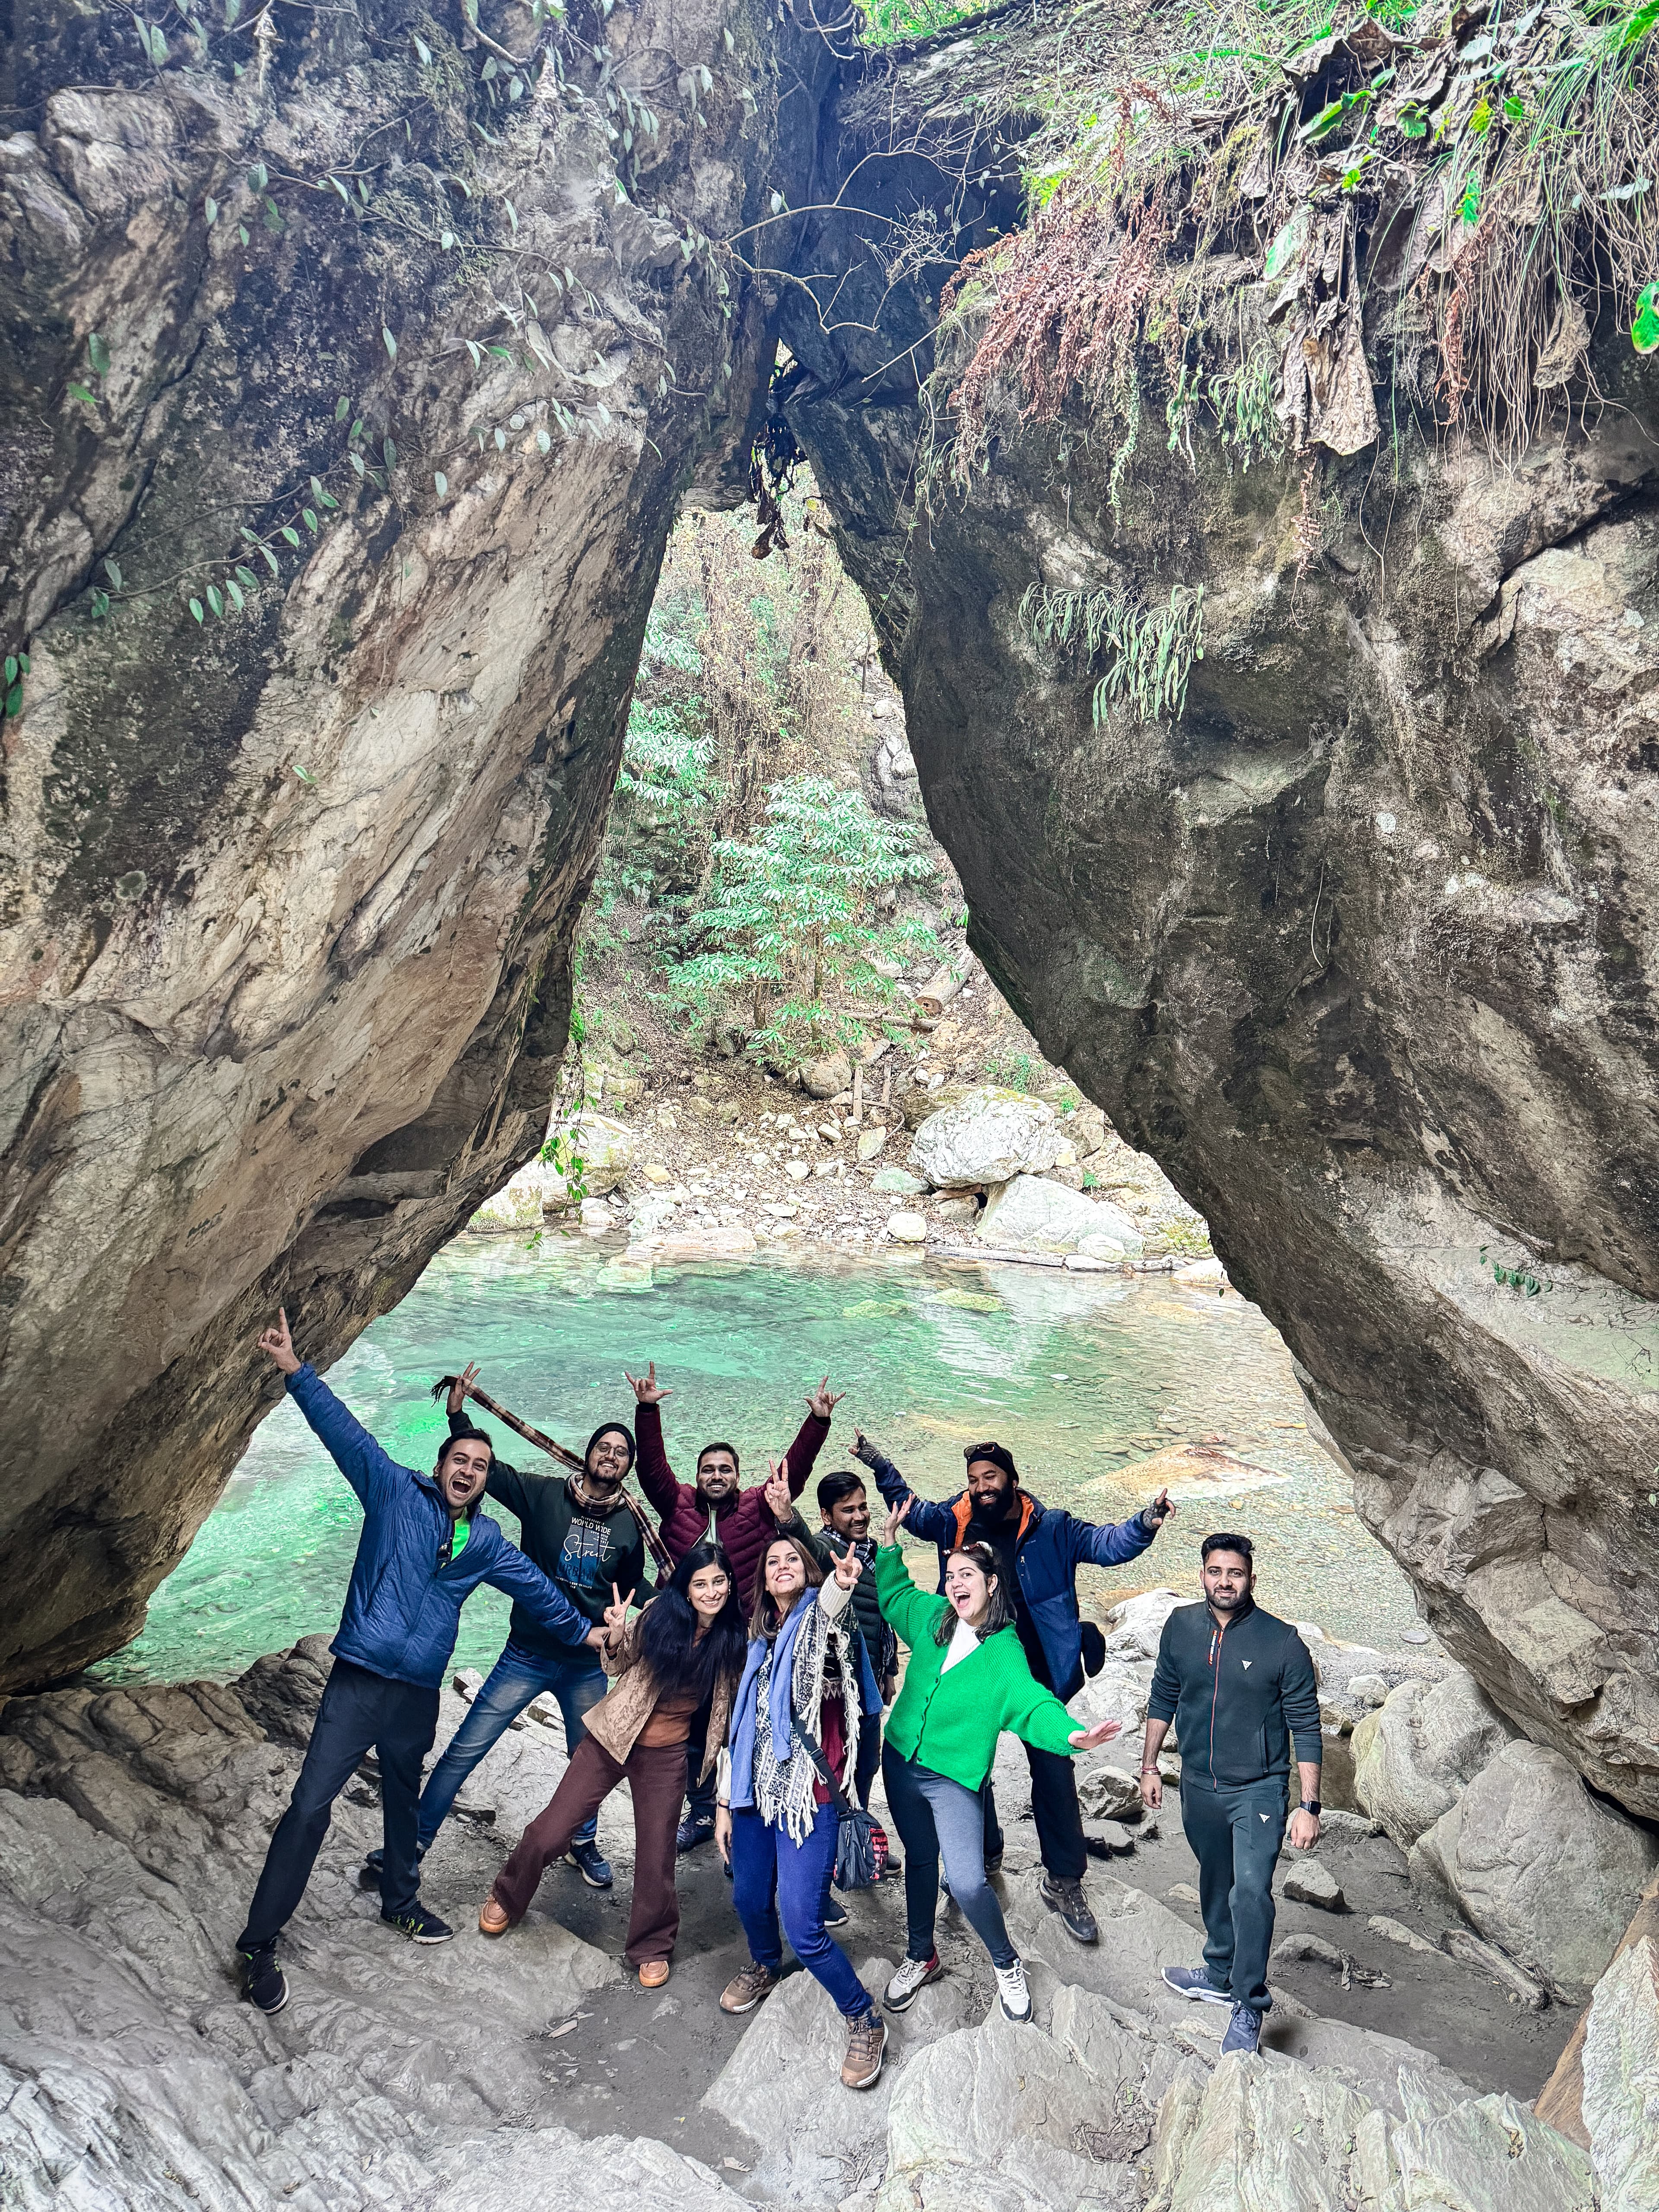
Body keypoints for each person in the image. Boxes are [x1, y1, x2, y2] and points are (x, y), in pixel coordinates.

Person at [235, 1312, 603, 2016]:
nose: (469, 1471)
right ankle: (259, 1944)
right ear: (441, 1466)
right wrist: (294, 1367)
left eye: (481, 1467)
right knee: (310, 1807)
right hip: (359, 1682)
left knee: (406, 1801)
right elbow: (340, 1429)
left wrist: (591, 1635)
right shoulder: (391, 1490)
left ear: (487, 1482)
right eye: (461, 1461)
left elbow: (540, 1590)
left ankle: (400, 1901)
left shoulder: (489, 1542)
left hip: (418, 1697)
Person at [855, 1429, 1173, 1944]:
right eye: (975, 1479)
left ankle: (1065, 1879)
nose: (982, 1486)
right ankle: (980, 1854)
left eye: (991, 1477)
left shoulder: (1053, 1528)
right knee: (967, 1763)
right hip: (974, 1667)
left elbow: (1108, 1543)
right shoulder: (953, 1519)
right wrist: (878, 1462)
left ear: (1011, 1479)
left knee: (1053, 1770)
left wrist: (1145, 1522)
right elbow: (907, 1508)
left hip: (1039, 1668)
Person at [364, 1361, 649, 1893]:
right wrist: (458, 1413)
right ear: (589, 1453)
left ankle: (582, 1842)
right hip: (526, 1652)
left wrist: (688, 1601)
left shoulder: (630, 1522)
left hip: (586, 1664)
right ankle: (414, 1841)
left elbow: (634, 1588)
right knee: (467, 1747)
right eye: (603, 1447)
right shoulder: (542, 1494)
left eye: (621, 1452)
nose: (610, 1456)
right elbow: (483, 1474)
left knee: (586, 1759)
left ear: (627, 1465)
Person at [872, 1497, 1123, 2024]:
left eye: (968, 1574)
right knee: (919, 1861)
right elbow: (894, 1597)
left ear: (991, 1584)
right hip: (898, 1761)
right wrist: (891, 1543)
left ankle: (1006, 1962)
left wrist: (1074, 1735)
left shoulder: (1005, 1650)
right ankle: (922, 1953)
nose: (956, 1583)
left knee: (966, 1879)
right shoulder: (934, 1617)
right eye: (950, 1575)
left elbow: (1031, 1703)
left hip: (953, 1778)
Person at [477, 1542, 747, 1986]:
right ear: (686, 1586)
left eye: (719, 1581)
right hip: (611, 1738)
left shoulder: (732, 1640)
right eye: (701, 1582)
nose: (711, 1590)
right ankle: (508, 1891)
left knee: (657, 1856)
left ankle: (652, 1944)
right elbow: (616, 1663)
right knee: (553, 1829)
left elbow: (733, 1707)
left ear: (730, 1584)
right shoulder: (660, 1614)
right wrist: (618, 1632)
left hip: (667, 1756)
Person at [624, 1360, 843, 1853]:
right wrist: (646, 1410)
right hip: (686, 1637)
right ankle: (703, 1809)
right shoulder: (677, 1503)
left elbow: (794, 1472)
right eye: (708, 1469)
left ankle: (743, 1809)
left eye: (726, 1469)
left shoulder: (757, 1508)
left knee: (739, 1722)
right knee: (691, 1725)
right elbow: (651, 1466)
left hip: (744, 1639)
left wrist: (818, 1422)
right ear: (697, 1475)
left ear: (739, 1477)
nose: (716, 1475)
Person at [713, 1516, 887, 2092]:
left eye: (793, 1559)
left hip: (808, 1794)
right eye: (772, 1563)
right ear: (762, 1580)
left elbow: (833, 1612)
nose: (783, 1567)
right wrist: (722, 1801)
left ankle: (863, 2017)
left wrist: (840, 1582)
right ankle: (764, 1963)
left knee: (805, 1927)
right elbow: (742, 1728)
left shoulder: (818, 1620)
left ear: (807, 1571)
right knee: (745, 1895)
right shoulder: (759, 1642)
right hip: (755, 1791)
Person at [1142, 1532, 1323, 2057]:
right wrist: (1150, 1764)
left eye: (1235, 1572)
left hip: (1259, 1789)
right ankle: (1219, 1969)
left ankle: (1249, 2001)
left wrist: (1309, 1805)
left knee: (1250, 1890)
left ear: (1251, 1578)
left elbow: (1306, 1727)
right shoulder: (1180, 1627)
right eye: (1216, 1571)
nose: (1225, 1581)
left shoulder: (1282, 1642)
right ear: (1202, 1574)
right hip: (1198, 1782)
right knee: (1214, 1878)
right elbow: (1163, 1694)